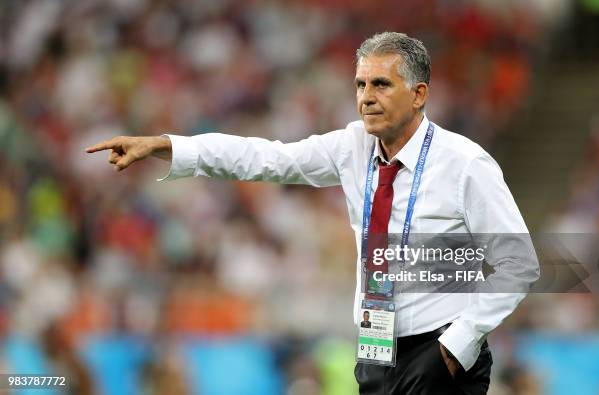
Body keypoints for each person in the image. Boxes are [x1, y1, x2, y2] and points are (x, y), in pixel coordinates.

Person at [86, 32, 539, 394]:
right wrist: (168, 146)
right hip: (375, 347)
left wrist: (456, 344)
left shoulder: (465, 163)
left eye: (381, 84)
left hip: (440, 349)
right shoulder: (351, 146)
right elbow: (263, 157)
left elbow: (519, 264)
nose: (366, 96)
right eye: (360, 84)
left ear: (419, 93)